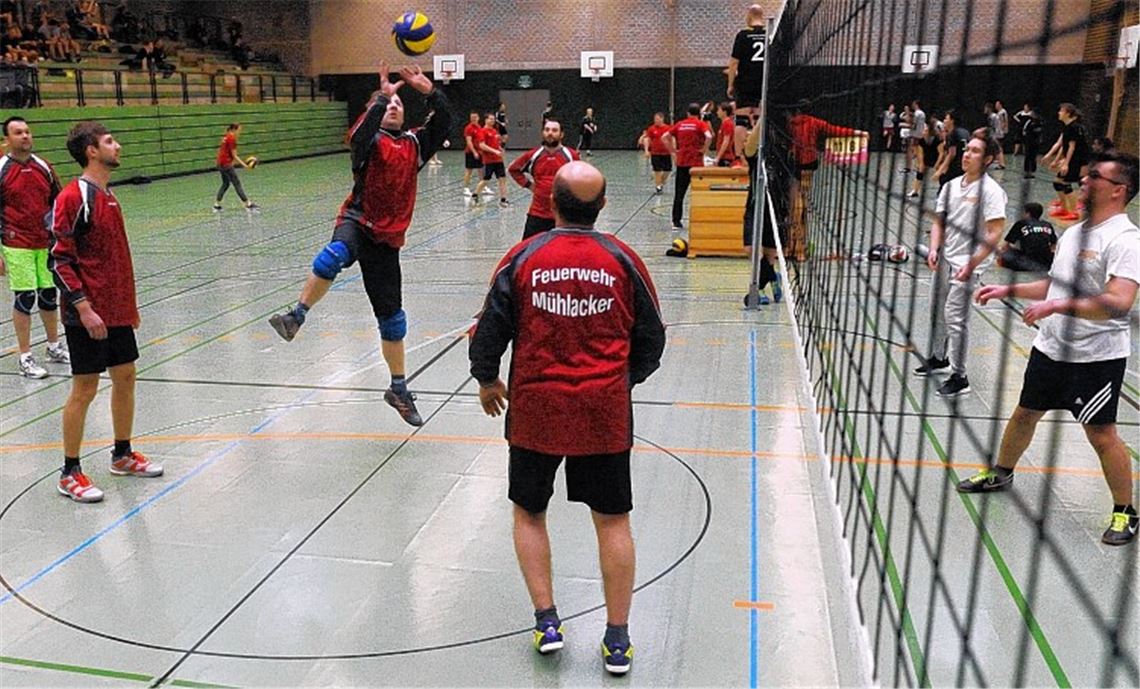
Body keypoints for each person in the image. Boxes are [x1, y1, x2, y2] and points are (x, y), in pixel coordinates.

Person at [469, 160, 666, 676]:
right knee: (613, 521)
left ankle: (547, 621)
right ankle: (617, 639)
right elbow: (652, 338)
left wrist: (488, 379)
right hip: (602, 414)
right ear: (602, 207)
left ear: (550, 201)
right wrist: (622, 382)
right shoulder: (624, 260)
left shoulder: (523, 257)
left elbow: (488, 328)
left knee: (529, 513)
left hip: (537, 411)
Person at [965, 150, 1140, 546]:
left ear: (1119, 190)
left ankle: (1125, 512)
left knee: (1101, 434)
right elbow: (1054, 284)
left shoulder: (1126, 240)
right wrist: (1008, 288)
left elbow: (1117, 302)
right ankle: (1002, 471)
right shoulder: (1077, 232)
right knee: (1025, 412)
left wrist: (1057, 305)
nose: (1084, 180)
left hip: (1094, 358)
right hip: (1051, 348)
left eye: (1095, 177)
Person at [267, 63, 450, 427]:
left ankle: (398, 388)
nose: (395, 105)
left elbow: (444, 120)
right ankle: (296, 316)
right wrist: (380, 99)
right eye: (388, 103)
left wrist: (430, 91)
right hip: (358, 220)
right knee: (332, 257)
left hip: (388, 239)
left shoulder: (415, 145)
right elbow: (359, 135)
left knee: (393, 321)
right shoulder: (369, 143)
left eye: (399, 102)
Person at [49, 121, 163, 503]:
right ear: (91, 151)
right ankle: (69, 471)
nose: (119, 145)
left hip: (116, 311)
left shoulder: (109, 195)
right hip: (88, 313)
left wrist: (128, 307)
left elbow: (114, 258)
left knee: (126, 377)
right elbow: (59, 259)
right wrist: (83, 308)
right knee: (85, 388)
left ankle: (122, 453)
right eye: (111, 141)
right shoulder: (74, 196)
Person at [913, 131, 1007, 397]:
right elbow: (938, 222)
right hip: (946, 259)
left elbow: (994, 232)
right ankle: (938, 357)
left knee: (956, 318)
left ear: (988, 159)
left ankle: (960, 375)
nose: (967, 154)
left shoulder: (991, 192)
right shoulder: (952, 185)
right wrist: (933, 249)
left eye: (975, 151)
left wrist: (972, 263)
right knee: (936, 310)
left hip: (969, 265)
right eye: (967, 150)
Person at [1, 116, 69, 379]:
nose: (25, 136)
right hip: (16, 243)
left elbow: (58, 203)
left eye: (27, 131)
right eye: (18, 133)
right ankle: (25, 357)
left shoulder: (43, 166)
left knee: (49, 296)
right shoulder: (2, 169)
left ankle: (53, 347)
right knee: (25, 298)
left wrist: (61, 237)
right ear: (7, 139)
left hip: (45, 243)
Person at [785, 99, 867, 261]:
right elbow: (835, 130)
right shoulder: (815, 122)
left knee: (793, 207)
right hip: (809, 165)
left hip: (793, 165)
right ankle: (800, 249)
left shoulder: (790, 124)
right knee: (802, 206)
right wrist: (858, 133)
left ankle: (791, 247)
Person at [508, 118, 579, 239]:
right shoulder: (533, 155)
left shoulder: (571, 155)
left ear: (561, 134)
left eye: (554, 130)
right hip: (537, 214)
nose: (550, 133)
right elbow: (513, 169)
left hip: (564, 216)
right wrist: (529, 185)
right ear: (543, 133)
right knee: (529, 251)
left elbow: (580, 177)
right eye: (547, 130)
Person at [662, 102, 712, 232]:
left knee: (679, 194)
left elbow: (664, 137)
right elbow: (709, 136)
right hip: (696, 165)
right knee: (699, 194)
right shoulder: (701, 124)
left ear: (688, 113)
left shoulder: (680, 124)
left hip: (682, 163)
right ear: (698, 113)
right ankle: (700, 220)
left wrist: (673, 151)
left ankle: (676, 222)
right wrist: (704, 150)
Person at [727, 4, 767, 161]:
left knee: (741, 120)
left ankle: (738, 158)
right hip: (763, 82)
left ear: (749, 16)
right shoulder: (769, 34)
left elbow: (734, 63)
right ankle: (759, 155)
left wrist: (730, 84)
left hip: (745, 82)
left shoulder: (742, 35)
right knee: (759, 118)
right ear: (762, 16)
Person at [1041, 103, 1088, 222]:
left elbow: (1072, 147)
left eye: (1061, 111)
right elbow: (1062, 145)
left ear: (1068, 113)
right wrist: (1052, 158)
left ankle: (1073, 212)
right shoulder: (1066, 127)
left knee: (1066, 183)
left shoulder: (1075, 128)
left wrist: (1066, 163)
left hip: (1076, 159)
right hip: (1070, 158)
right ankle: (1064, 208)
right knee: (1057, 183)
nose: (1059, 113)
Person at [997, 202, 1056, 272]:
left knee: (1004, 256)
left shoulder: (1021, 223)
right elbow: (1053, 246)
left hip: (1025, 263)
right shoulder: (1047, 224)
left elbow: (1005, 246)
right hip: (1045, 264)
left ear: (1027, 213)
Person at [212, 123, 258, 212]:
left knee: (225, 184)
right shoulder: (232, 138)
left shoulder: (226, 136)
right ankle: (248, 204)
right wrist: (245, 165)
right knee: (237, 183)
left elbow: (225, 153)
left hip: (220, 164)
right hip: (226, 165)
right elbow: (234, 155)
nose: (239, 132)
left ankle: (217, 205)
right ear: (234, 129)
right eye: (239, 130)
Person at [473, 112, 508, 207]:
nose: (492, 121)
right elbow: (482, 145)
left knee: (502, 179)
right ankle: (475, 194)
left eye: (493, 119)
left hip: (498, 160)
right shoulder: (482, 131)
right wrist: (494, 151)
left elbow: (496, 143)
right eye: (490, 119)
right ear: (486, 120)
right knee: (486, 179)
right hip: (489, 160)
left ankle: (503, 199)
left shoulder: (494, 131)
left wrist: (500, 149)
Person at [932, 109, 970, 190]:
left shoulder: (953, 133)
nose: (944, 121)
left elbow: (951, 154)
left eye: (946, 119)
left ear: (952, 121)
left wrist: (940, 170)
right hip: (965, 167)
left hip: (954, 169)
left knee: (944, 190)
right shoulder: (965, 132)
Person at [638, 112, 671, 194]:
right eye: (655, 119)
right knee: (657, 170)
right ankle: (658, 186)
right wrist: (646, 150)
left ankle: (661, 182)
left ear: (662, 119)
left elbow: (672, 139)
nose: (655, 121)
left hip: (666, 153)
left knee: (668, 170)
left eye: (657, 119)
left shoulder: (668, 128)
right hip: (655, 153)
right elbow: (647, 139)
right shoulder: (651, 129)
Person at [1017, 103, 1042, 180]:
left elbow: (1039, 131)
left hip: (1034, 142)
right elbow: (1025, 130)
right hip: (1028, 141)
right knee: (1028, 156)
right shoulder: (1029, 121)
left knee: (1032, 156)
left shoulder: (1038, 122)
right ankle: (1027, 171)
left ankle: (1032, 170)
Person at [462, 110, 482, 196]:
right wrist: (474, 152)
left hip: (480, 152)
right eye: (472, 118)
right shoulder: (468, 128)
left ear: (478, 118)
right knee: (469, 170)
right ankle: (466, 188)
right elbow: (469, 142)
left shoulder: (479, 127)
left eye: (475, 117)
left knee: (481, 170)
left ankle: (483, 186)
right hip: (471, 152)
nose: (473, 119)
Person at [714, 101, 738, 167]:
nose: (717, 112)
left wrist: (718, 158)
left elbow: (726, 141)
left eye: (719, 110)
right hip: (723, 157)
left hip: (726, 157)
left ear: (724, 112)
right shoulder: (724, 123)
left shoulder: (727, 123)